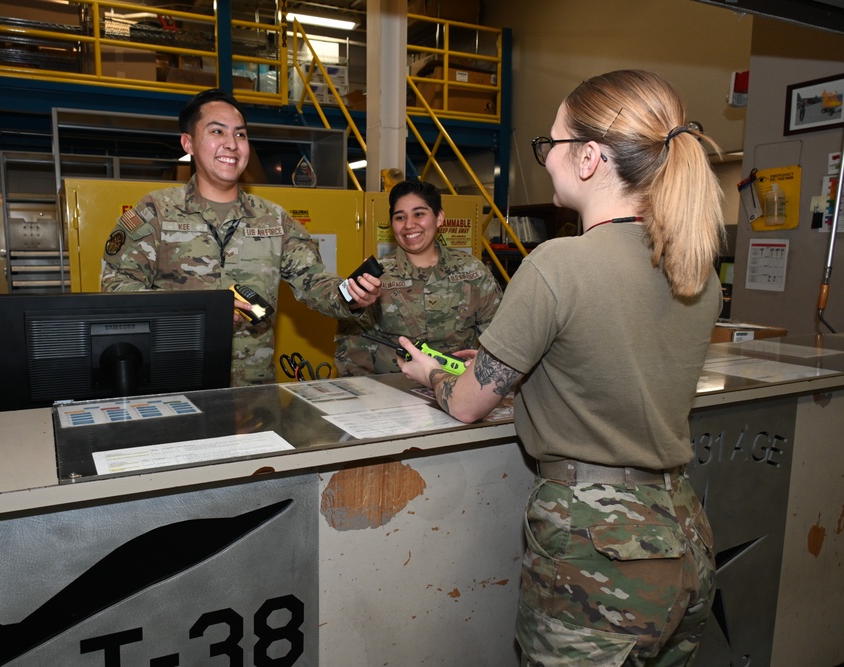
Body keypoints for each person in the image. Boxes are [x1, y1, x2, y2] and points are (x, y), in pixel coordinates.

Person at [399, 70, 724, 665]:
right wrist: (520, 360)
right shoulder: (696, 270)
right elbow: (616, 363)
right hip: (684, 532)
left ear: (590, 158)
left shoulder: (559, 263)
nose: (545, 160)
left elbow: (470, 403)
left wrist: (431, 376)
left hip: (597, 551)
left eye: (550, 145)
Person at [101, 88, 380, 385]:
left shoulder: (274, 219)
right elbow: (117, 287)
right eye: (217, 132)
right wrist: (201, 313)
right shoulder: (156, 211)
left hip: (253, 392)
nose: (231, 145)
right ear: (189, 143)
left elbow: (313, 281)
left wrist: (351, 295)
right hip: (177, 384)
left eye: (241, 135)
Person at [333, 178, 502, 376]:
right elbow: (352, 350)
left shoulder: (473, 272)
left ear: (439, 218)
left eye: (419, 214)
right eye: (399, 217)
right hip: (392, 392)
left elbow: (501, 341)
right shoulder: (375, 278)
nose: (409, 225)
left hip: (457, 392)